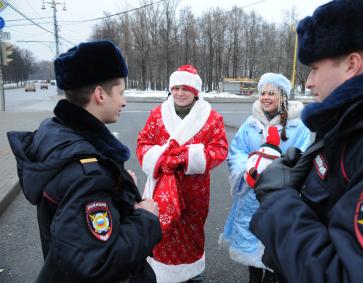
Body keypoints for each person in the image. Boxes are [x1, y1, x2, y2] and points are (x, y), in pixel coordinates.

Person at [249, 0, 363, 282]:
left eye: (316, 68)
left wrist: (279, 203)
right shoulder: (355, 124)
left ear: (351, 65)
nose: (308, 82)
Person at [7, 41, 162, 283]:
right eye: (120, 92)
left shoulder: (57, 132)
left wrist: (116, 187)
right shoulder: (87, 173)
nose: (124, 102)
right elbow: (100, 263)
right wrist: (146, 218)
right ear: (100, 94)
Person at [136, 64, 228, 283]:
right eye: (175, 88)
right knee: (163, 231)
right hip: (161, 189)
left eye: (185, 88)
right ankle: (161, 274)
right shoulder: (158, 114)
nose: (179, 93)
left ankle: (193, 273)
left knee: (192, 233)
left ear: (195, 91)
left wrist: (186, 157)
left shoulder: (212, 118)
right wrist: (161, 158)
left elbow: (219, 149)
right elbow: (143, 143)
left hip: (194, 192)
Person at [219, 73, 311, 283]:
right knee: (249, 242)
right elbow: (237, 151)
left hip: (279, 197)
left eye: (271, 93)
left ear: (283, 96)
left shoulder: (298, 126)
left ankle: (271, 276)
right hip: (250, 194)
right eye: (262, 93)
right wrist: (249, 168)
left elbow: (302, 157)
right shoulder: (250, 124)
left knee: (274, 244)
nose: (265, 97)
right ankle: (253, 277)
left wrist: (277, 173)